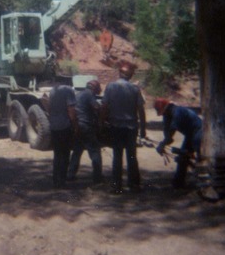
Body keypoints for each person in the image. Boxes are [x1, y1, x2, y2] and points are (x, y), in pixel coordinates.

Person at [101, 62, 146, 194]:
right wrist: (143, 128)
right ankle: (134, 185)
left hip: (116, 127)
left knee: (117, 156)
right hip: (131, 128)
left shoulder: (110, 87)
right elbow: (141, 110)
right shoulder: (135, 89)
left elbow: (104, 107)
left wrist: (101, 122)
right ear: (130, 75)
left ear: (119, 73)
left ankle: (116, 186)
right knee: (132, 156)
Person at [154, 98, 203, 189]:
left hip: (198, 132)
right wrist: (164, 143)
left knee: (200, 158)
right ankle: (178, 183)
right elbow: (168, 137)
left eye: (164, 113)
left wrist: (162, 144)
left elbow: (171, 132)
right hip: (190, 134)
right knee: (182, 158)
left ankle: (203, 181)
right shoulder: (168, 115)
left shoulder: (178, 112)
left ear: (168, 108)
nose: (164, 115)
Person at [67, 80, 103, 185]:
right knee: (95, 151)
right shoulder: (89, 94)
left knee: (77, 150)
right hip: (86, 126)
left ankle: (70, 174)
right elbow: (96, 107)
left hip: (78, 126)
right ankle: (97, 177)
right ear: (94, 88)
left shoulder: (79, 94)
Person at [48, 84, 78, 189]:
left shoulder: (53, 90)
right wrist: (75, 126)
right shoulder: (68, 90)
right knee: (65, 154)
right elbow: (71, 111)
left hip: (54, 126)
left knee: (57, 154)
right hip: (65, 126)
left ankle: (55, 180)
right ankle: (62, 180)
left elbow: (49, 108)